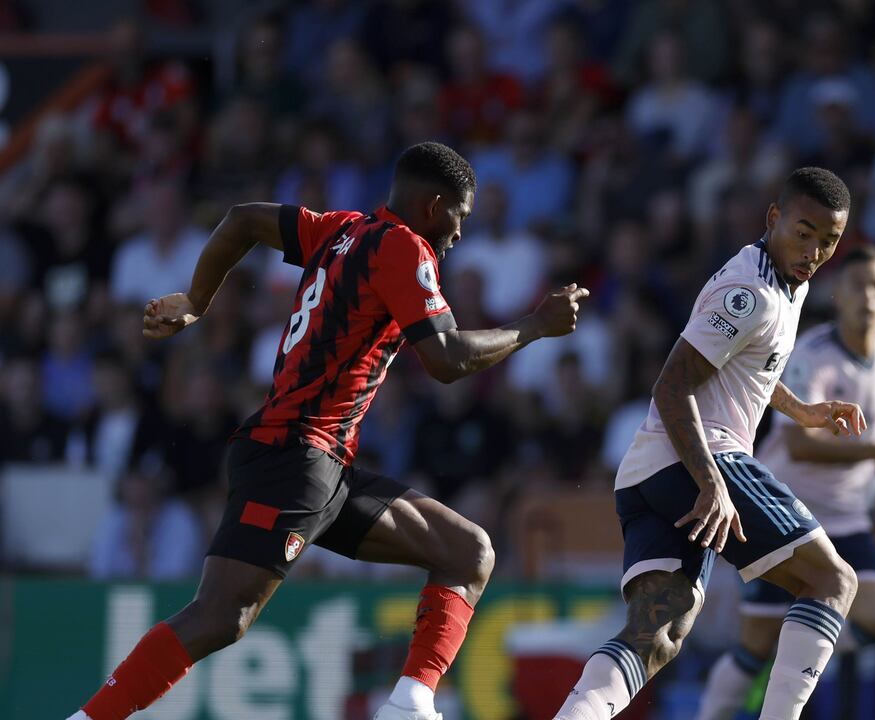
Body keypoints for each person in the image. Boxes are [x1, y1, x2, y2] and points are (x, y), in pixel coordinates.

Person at [67, 141, 588, 720]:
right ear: (434, 206)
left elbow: (242, 220)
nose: (459, 233)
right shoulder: (402, 246)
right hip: (293, 457)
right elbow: (446, 358)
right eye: (459, 217)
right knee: (220, 616)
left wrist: (196, 299)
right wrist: (535, 326)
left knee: (467, 551)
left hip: (323, 467)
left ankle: (410, 704)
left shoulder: (340, 229)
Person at [552, 167, 867, 720]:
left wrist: (801, 410)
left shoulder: (784, 281)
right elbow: (672, 386)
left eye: (829, 240)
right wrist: (711, 482)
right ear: (774, 218)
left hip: (649, 472)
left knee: (657, 635)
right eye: (804, 233)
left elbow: (747, 364)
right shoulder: (751, 293)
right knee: (832, 580)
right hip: (699, 459)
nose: (814, 251)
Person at [695, 244, 875, 720]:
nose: (869, 296)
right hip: (786, 509)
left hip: (848, 515)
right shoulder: (812, 354)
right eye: (858, 286)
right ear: (838, 296)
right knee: (753, 649)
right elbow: (800, 444)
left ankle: (795, 647)